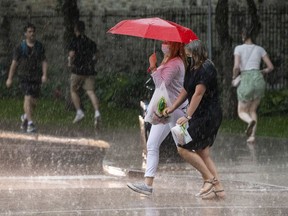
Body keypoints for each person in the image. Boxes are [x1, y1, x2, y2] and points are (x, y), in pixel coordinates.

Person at [164, 40, 225, 199]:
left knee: (182, 147)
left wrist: (187, 116)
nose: (185, 56)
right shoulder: (192, 67)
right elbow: (185, 90)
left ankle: (209, 179)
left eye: (188, 53)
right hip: (199, 114)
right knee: (202, 152)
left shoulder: (207, 68)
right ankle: (219, 189)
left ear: (196, 53)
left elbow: (198, 93)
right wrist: (173, 107)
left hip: (208, 115)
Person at [127, 40, 188, 195]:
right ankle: (148, 184)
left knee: (185, 149)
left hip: (176, 111)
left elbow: (161, 85)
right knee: (152, 144)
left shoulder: (175, 64)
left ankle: (210, 178)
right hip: (165, 109)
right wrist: (156, 66)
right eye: (163, 41)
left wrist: (153, 66)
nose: (163, 44)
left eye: (167, 42)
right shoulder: (169, 61)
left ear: (175, 46)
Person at [232, 27, 274, 143]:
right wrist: (262, 72)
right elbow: (270, 67)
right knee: (253, 110)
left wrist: (234, 77)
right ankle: (252, 137)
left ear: (243, 36)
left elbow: (236, 67)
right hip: (259, 80)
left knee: (241, 111)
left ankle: (249, 121)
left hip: (246, 80)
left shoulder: (238, 48)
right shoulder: (260, 49)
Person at [6, 22, 48, 133]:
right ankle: (30, 124)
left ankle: (25, 117)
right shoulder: (20, 48)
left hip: (36, 76)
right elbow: (14, 64)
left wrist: (44, 74)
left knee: (33, 103)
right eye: (29, 31)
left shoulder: (39, 46)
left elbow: (44, 61)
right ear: (25, 34)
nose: (32, 33)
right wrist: (10, 78)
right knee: (28, 97)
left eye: (33, 31)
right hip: (24, 76)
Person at [68, 20, 101, 127]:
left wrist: (70, 63)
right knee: (90, 91)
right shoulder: (90, 42)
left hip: (77, 70)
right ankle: (97, 112)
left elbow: (72, 55)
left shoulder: (74, 41)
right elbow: (96, 56)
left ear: (75, 29)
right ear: (84, 29)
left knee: (73, 90)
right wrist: (92, 63)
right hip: (89, 70)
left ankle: (79, 111)